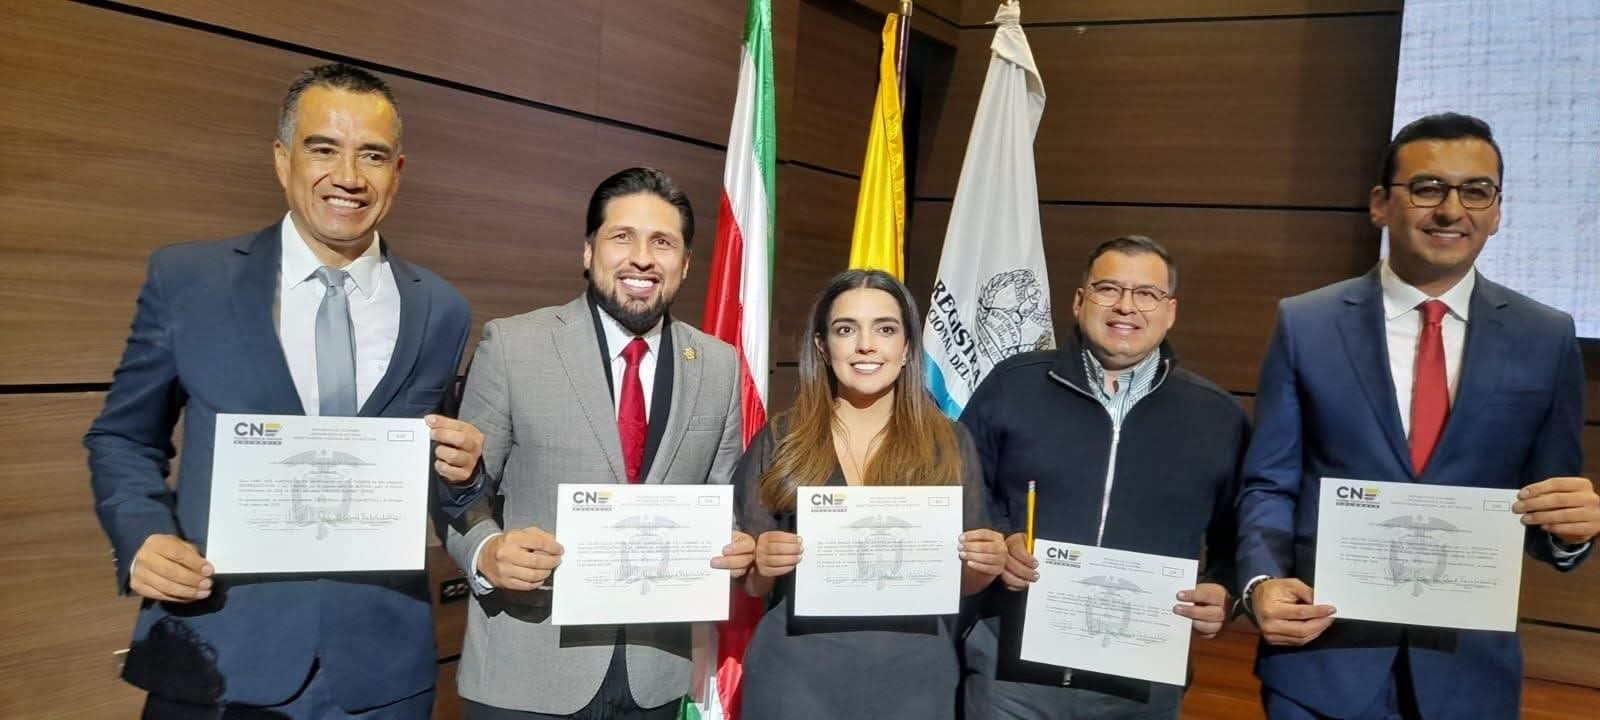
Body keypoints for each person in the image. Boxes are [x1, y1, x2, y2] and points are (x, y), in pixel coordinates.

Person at [84, 63, 486, 718]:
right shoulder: (190, 281)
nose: (349, 177)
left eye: (373, 155)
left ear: (398, 172)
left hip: (381, 673)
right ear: (282, 159)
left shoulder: (442, 309)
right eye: (323, 148)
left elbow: (432, 477)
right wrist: (143, 535)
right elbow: (123, 436)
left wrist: (464, 472)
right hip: (216, 650)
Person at [1237, 112, 1600, 719]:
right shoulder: (1306, 324)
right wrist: (1260, 583)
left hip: (1468, 672)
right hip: (1323, 659)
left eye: (1475, 191)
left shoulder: (1547, 337)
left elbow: (1548, 507)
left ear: (1498, 210)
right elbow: (1268, 483)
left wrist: (1570, 531)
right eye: (1427, 188)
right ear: (1381, 204)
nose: (1450, 210)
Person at [442, 167, 753, 719]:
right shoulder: (514, 346)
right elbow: (458, 494)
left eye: (662, 242)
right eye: (621, 237)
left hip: (654, 676)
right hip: (528, 668)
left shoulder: (720, 366)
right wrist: (487, 552)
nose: (641, 258)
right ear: (588, 252)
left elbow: (721, 499)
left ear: (684, 264)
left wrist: (734, 544)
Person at [960, 236, 1250, 719]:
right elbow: (962, 487)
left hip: (1140, 681)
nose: (1126, 306)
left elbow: (1242, 535)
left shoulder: (1216, 416)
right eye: (1108, 289)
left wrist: (1224, 591)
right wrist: (999, 537)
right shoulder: (1013, 385)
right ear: (1079, 301)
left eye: (1146, 294)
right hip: (1010, 671)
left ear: (1170, 311)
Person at [731, 268, 1007, 720]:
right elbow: (751, 581)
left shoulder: (950, 442)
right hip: (795, 676)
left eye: (885, 329)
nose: (866, 345)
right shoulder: (782, 437)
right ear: (822, 346)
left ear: (907, 347)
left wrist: (985, 563)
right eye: (846, 329)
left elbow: (965, 583)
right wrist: (763, 562)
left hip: (915, 679)